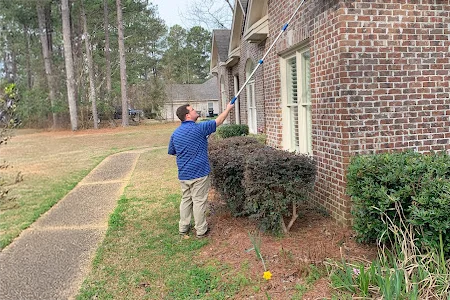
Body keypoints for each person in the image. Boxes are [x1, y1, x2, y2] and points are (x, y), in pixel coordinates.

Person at [168, 103, 234, 238]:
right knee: (198, 201)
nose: (195, 111)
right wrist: (228, 108)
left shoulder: (175, 134)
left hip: (184, 174)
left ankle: (183, 228)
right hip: (199, 173)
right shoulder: (200, 129)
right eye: (192, 110)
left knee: (186, 199)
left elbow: (173, 151)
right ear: (187, 116)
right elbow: (219, 120)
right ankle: (201, 230)